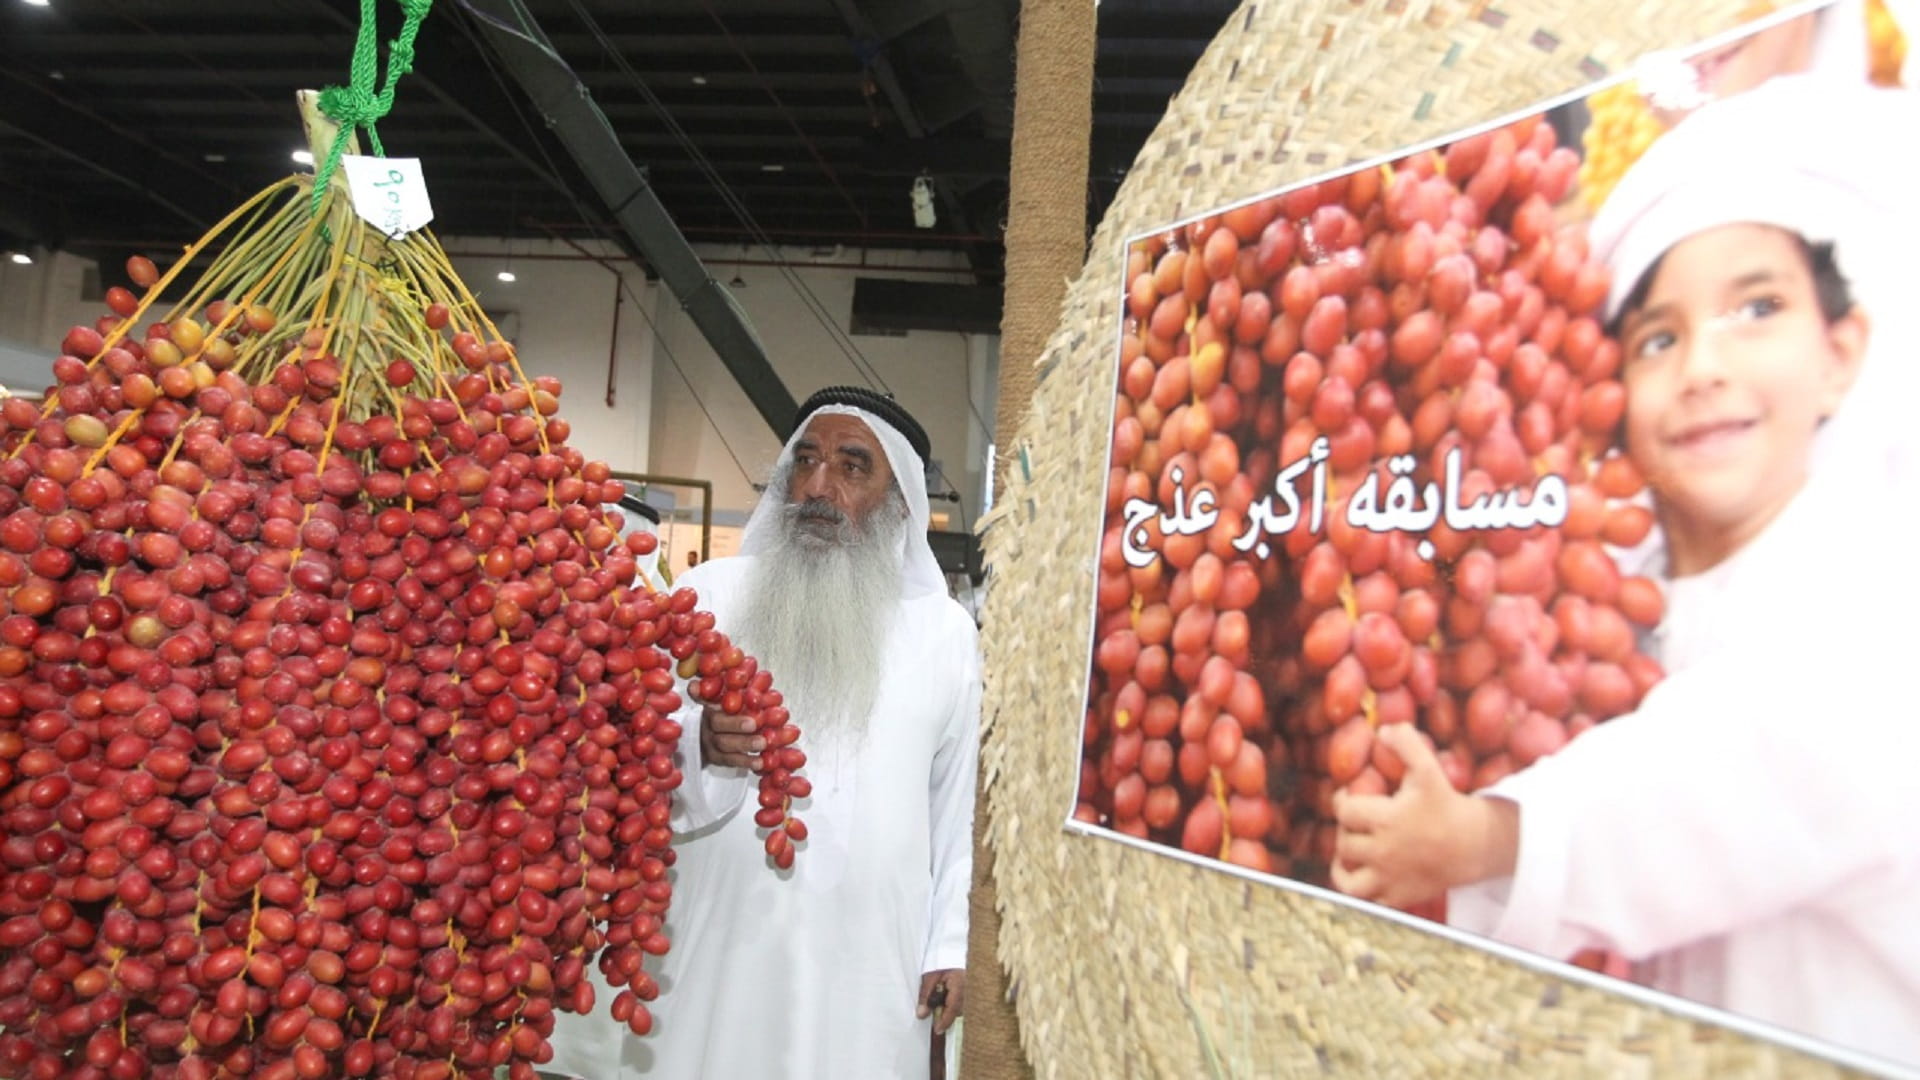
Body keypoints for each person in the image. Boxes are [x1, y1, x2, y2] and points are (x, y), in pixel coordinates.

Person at [1329, 76, 1920, 1068]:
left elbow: (1741, 765)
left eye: (1757, 308)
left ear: (1841, 352)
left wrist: (1489, 839)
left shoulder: (1871, 588)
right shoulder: (1661, 593)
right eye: (1658, 337)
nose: (1702, 367)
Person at [546, 385, 981, 1078]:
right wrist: (699, 744)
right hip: (721, 934)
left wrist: (948, 944)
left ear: (900, 501)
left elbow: (957, 808)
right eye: (804, 462)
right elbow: (629, 747)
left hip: (875, 950)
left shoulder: (946, 634)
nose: (817, 486)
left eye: (851, 467)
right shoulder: (714, 595)